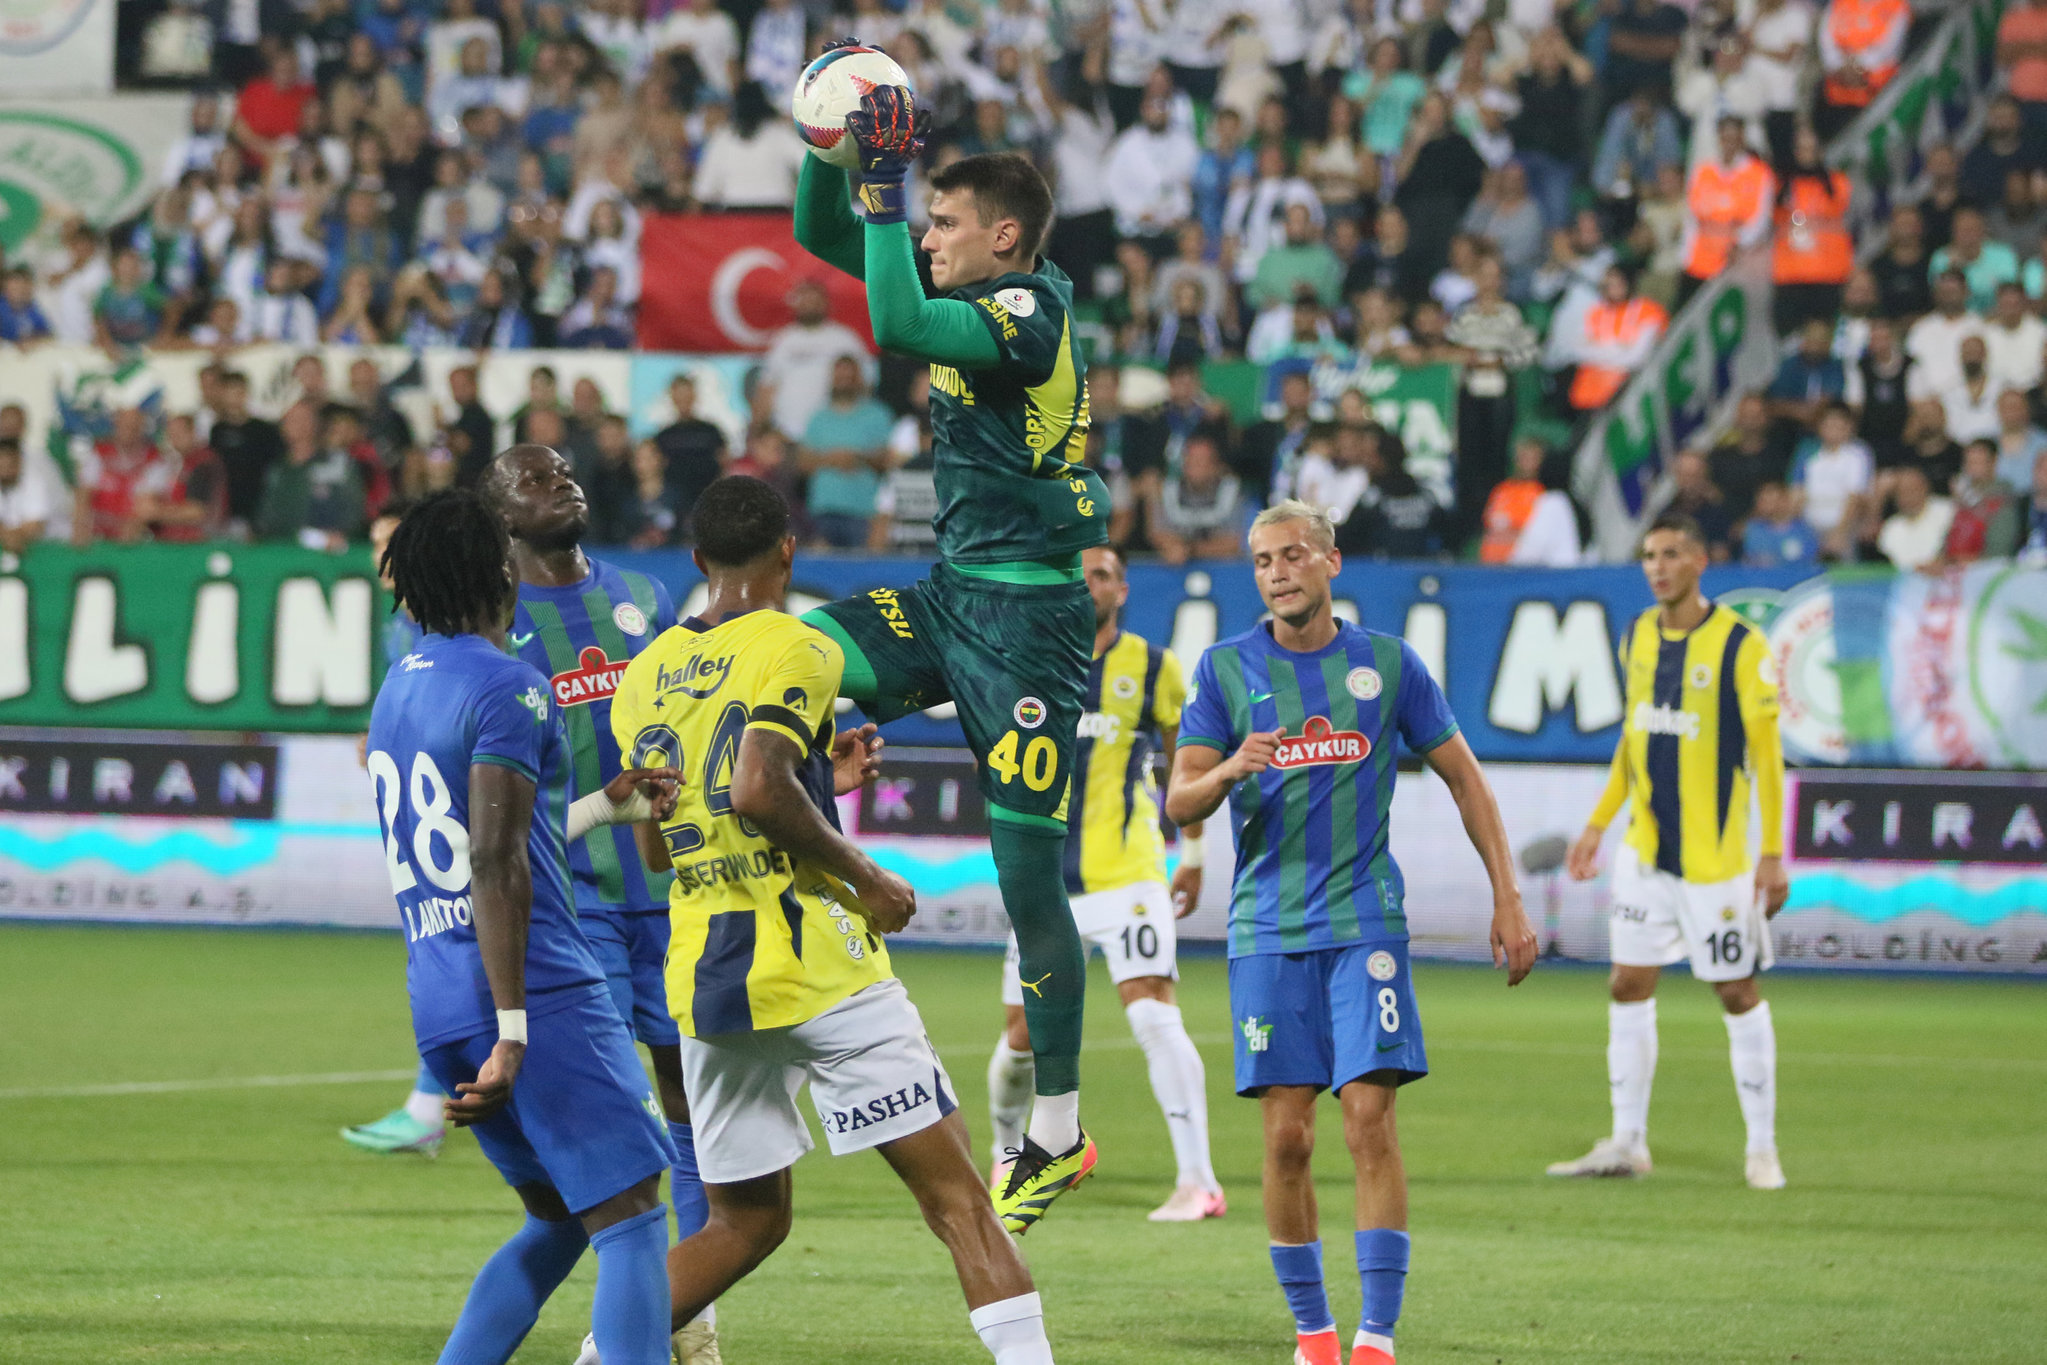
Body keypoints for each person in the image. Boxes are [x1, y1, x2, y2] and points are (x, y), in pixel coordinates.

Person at [610, 475, 1060, 1364]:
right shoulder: (800, 644)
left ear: (696, 559)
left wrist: (819, 777)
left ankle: (600, 1353)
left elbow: (663, 841)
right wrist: (868, 879)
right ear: (788, 550)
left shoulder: (645, 673)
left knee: (744, 1219)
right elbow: (755, 785)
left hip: (706, 977)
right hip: (818, 961)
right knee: (960, 1199)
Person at [792, 80, 1115, 1234]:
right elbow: (819, 234)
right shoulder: (967, 284)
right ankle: (795, 937)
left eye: (942, 220)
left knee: (1032, 888)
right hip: (947, 599)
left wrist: (878, 188)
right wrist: (824, 142)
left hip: (1028, 631)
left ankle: (1060, 1130)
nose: (923, 234)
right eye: (920, 218)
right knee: (794, 653)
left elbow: (891, 323)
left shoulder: (1027, 314)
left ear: (1005, 236)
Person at [1165, 501, 1537, 1365]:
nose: (1277, 571)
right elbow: (1177, 799)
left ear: (1331, 562)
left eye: (1292, 554)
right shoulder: (1226, 670)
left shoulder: (1387, 665)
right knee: (1287, 1134)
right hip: (1266, 929)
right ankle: (1313, 1332)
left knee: (1369, 1119)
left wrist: (1507, 897)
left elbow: (1466, 780)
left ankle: (1375, 1336)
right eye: (1261, 560)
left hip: (1364, 917)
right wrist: (1225, 767)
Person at [367, 490, 682, 1365]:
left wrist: (603, 808)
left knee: (557, 1217)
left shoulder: (402, 685)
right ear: (498, 568)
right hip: (532, 988)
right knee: (629, 1215)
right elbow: (496, 861)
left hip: (437, 993)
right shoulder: (512, 684)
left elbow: (493, 836)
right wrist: (514, 1031)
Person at [1550, 511, 1790, 1191]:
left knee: (1735, 989)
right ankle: (1627, 1141)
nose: (1656, 565)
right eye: (1648, 554)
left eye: (1671, 553)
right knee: (1627, 982)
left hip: (1715, 862)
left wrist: (1771, 852)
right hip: (1644, 851)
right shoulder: (1638, 636)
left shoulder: (1741, 645)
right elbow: (1633, 739)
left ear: (1700, 560)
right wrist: (1598, 823)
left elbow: (1766, 758)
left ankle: (1761, 1148)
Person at [984, 545, 1219, 1222]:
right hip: (1044, 884)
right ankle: (1009, 1157)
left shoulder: (1154, 668)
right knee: (1020, 1038)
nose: (1089, 584)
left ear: (1121, 589)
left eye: (1103, 575)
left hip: (1129, 874)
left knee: (1151, 1009)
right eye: (1078, 573)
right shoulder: (1025, 662)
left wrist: (1194, 851)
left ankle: (1197, 1180)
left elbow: (1185, 761)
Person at [1677, 115, 1774, 310]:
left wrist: (1741, 243)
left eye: (1734, 137)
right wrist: (1685, 254)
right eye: (1725, 137)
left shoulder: (1758, 174)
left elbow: (1761, 220)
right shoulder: (1703, 171)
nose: (1729, 143)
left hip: (1734, 262)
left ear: (1742, 139)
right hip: (1698, 262)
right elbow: (1692, 217)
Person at [1740, 479, 1821, 566]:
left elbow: (1811, 562)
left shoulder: (1805, 531)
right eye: (1762, 500)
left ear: (1784, 501)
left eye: (1770, 501)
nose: (1764, 505)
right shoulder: (1754, 530)